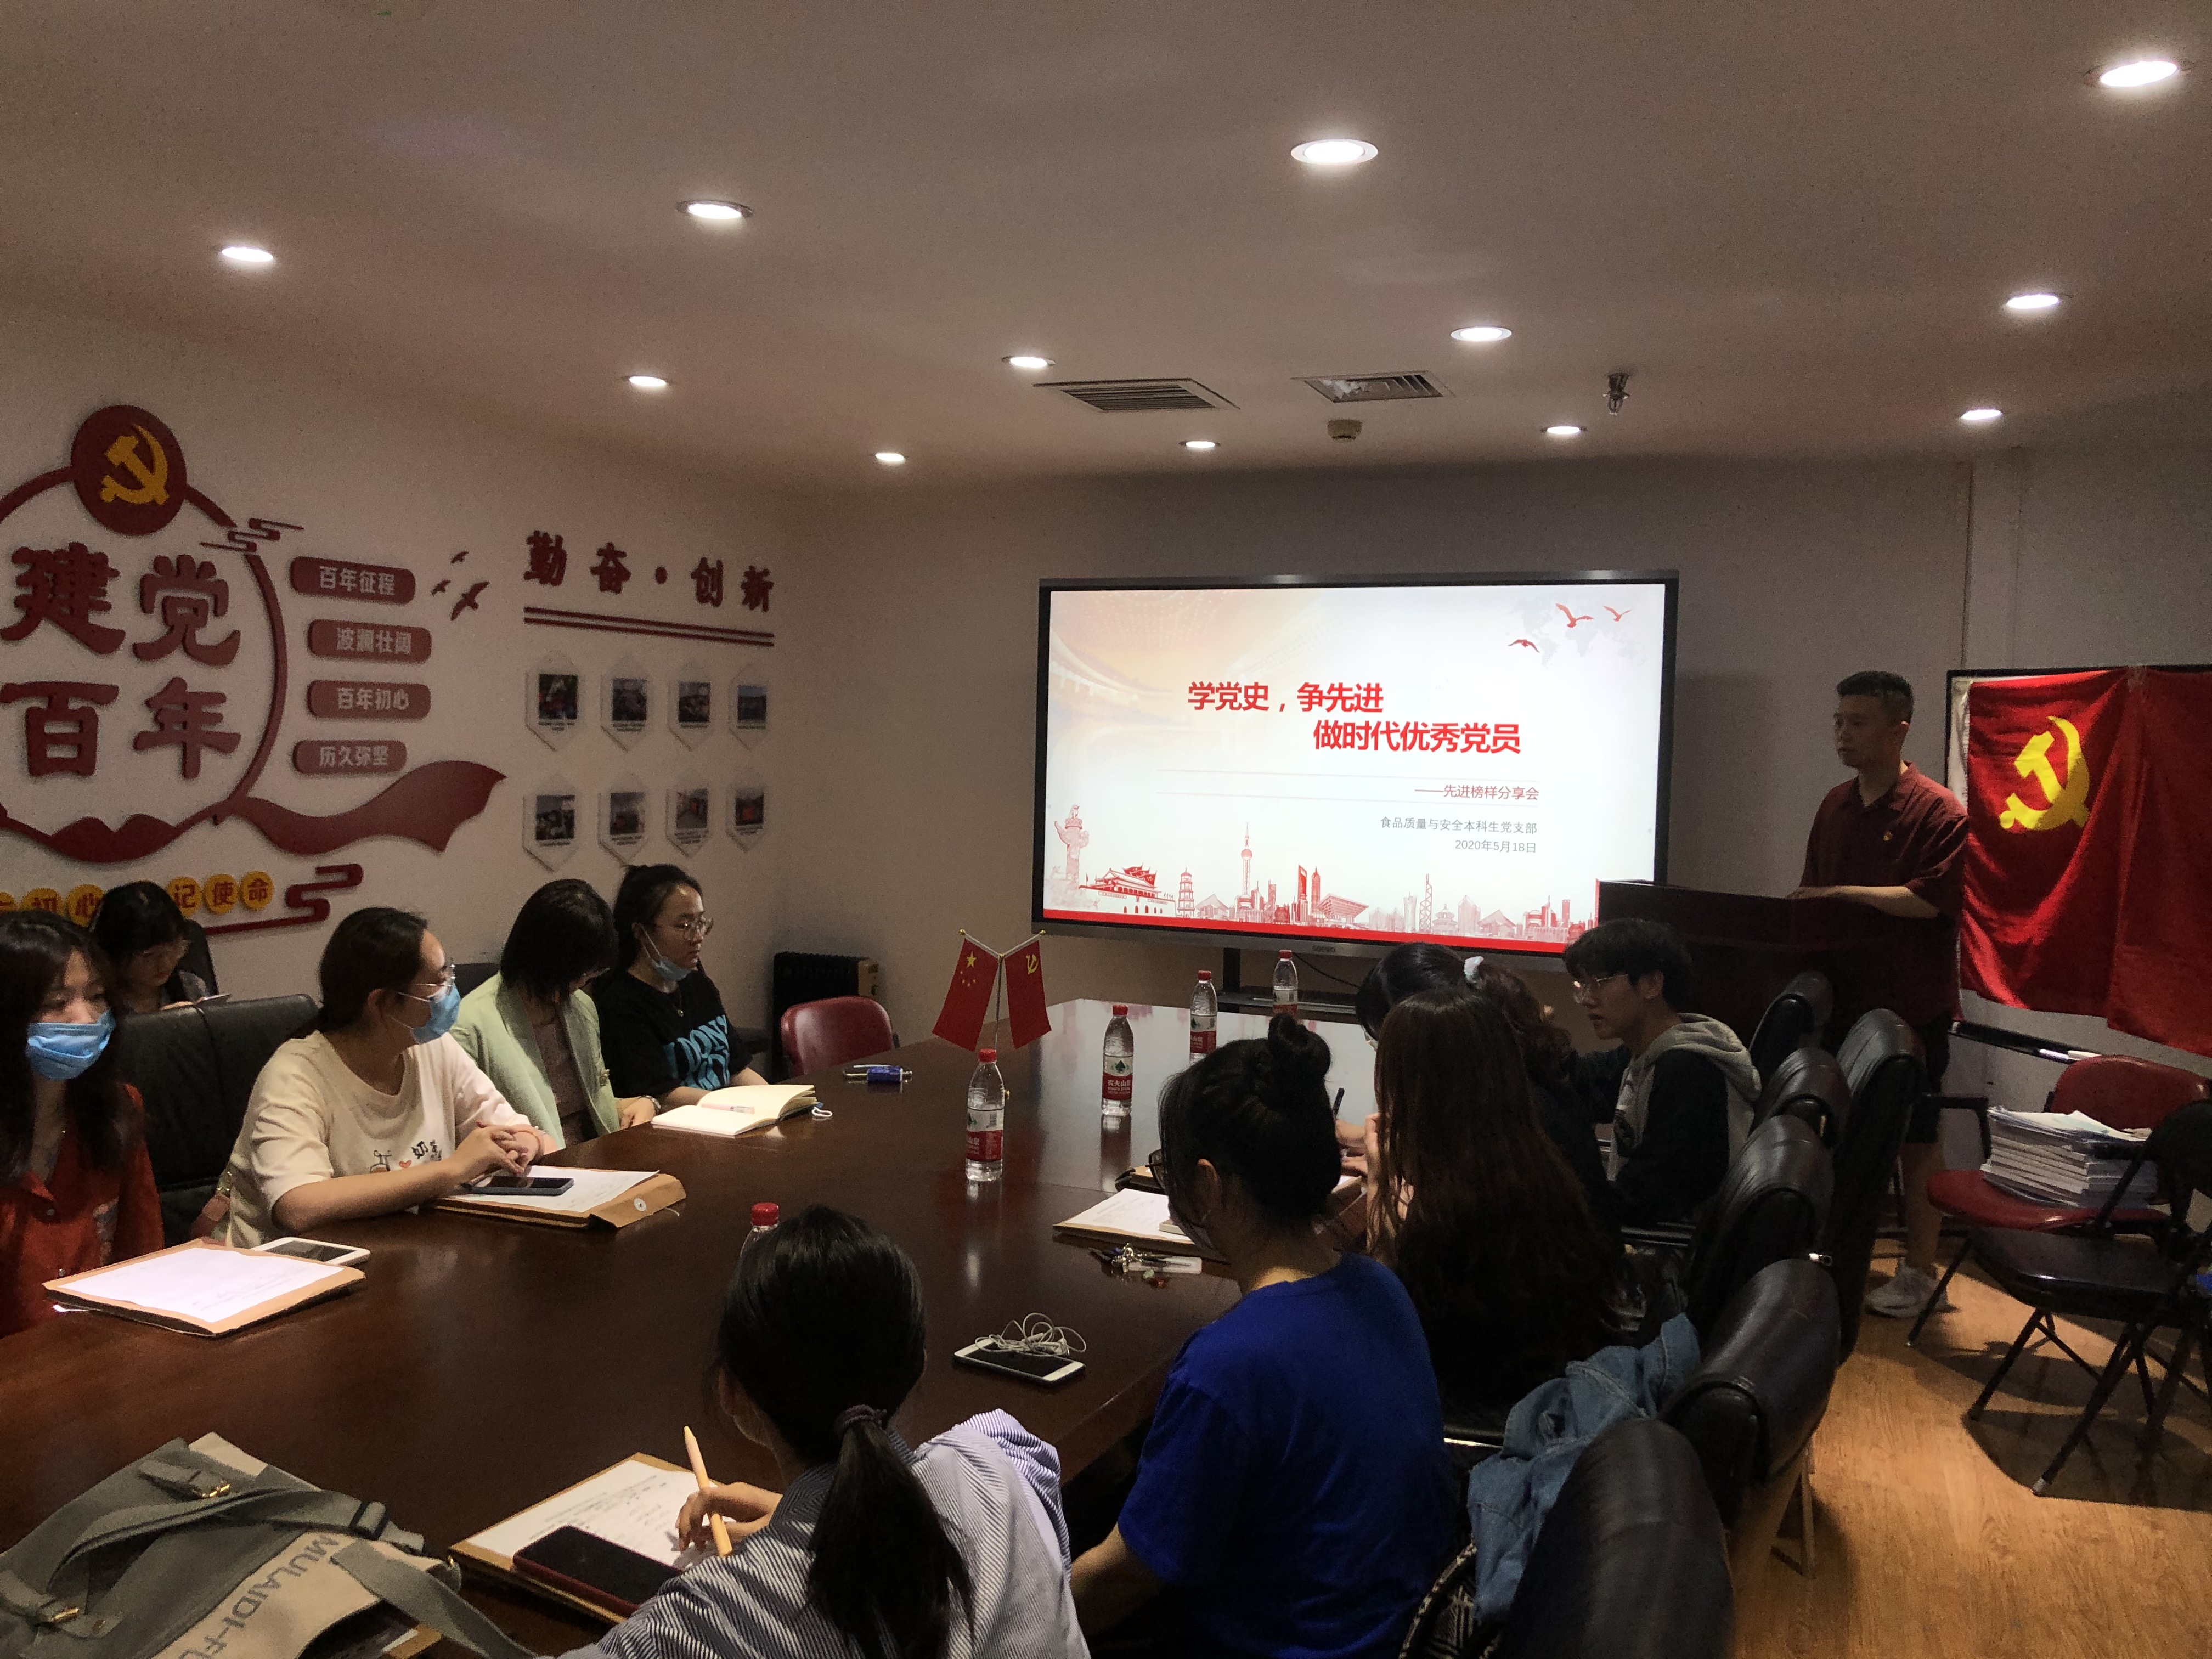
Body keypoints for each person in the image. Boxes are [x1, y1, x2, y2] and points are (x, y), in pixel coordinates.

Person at [1071, 1016, 1455, 1659]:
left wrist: (995, 1624)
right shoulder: (1379, 1288)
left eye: (1170, 1172)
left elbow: (1126, 1579)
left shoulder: (1229, 1367)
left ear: (1208, 1185)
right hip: (1394, 1633)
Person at [564, 1205, 1085, 1659]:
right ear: (918, 1368)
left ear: (731, 1392)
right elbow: (1029, 1463)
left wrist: (808, 1521)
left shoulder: (707, 1621)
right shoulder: (992, 1466)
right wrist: (843, 1512)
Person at [1790, 669, 1967, 1319]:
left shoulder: (1938, 810)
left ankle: (1921, 1273)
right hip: (1842, 1002)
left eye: (1858, 723)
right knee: (1831, 1131)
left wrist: (1844, 895)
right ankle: (1830, 1254)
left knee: (1916, 1138)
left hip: (1910, 1008)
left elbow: (1931, 901)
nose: (1842, 734)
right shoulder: (1835, 804)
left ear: (1899, 729)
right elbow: (1811, 894)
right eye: (1838, 721)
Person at [212, 908, 546, 1248]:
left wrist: (524, 1143)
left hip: (411, 1250)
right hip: (298, 1268)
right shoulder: (294, 1075)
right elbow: (298, 1205)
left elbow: (516, 1130)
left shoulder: (431, 1046)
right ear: (380, 1002)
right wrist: (454, 1169)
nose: (449, 990)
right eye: (437, 982)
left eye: (449, 974)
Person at [1365, 986, 1623, 1414]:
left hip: (1475, 1411)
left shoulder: (1450, 1210)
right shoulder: (1532, 1163)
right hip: (1549, 1389)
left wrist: (1380, 1182)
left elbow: (1383, 1322)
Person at [1351, 943, 1608, 1215]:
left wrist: (1381, 1180)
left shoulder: (1500, 1116)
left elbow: (1419, 1233)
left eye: (1382, 1041)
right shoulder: (1510, 1080)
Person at [0, 913, 161, 1336]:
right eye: (56, 1002)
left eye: (96, 996)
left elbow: (144, 1257)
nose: (87, 1019)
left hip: (104, 1355)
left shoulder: (118, 1109)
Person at [1559, 918, 1760, 1229]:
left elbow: (1649, 1200)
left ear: (1652, 985)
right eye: (1582, 985)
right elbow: (1585, 1085)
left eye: (1599, 982)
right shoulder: (1646, 1050)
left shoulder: (1687, 1069)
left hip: (1671, 1246)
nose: (1587, 998)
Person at [452, 880, 657, 1149]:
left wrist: (644, 1103)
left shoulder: (579, 1007)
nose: (581, 983)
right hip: (535, 1164)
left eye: (589, 974)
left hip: (595, 1153)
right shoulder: (470, 1027)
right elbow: (471, 1135)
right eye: (577, 973)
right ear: (545, 960)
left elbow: (592, 1107)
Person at [594, 865, 765, 1106]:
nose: (698, 937)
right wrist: (735, 1106)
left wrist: (776, 1101)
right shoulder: (620, 1002)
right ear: (641, 932)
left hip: (726, 1113)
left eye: (701, 922)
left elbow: (737, 1069)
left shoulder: (699, 986)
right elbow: (662, 1095)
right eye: (684, 926)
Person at [88, 882, 210, 1014]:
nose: (165, 964)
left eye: (173, 948)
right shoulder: (94, 1001)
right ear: (113, 953)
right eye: (149, 956)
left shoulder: (191, 987)